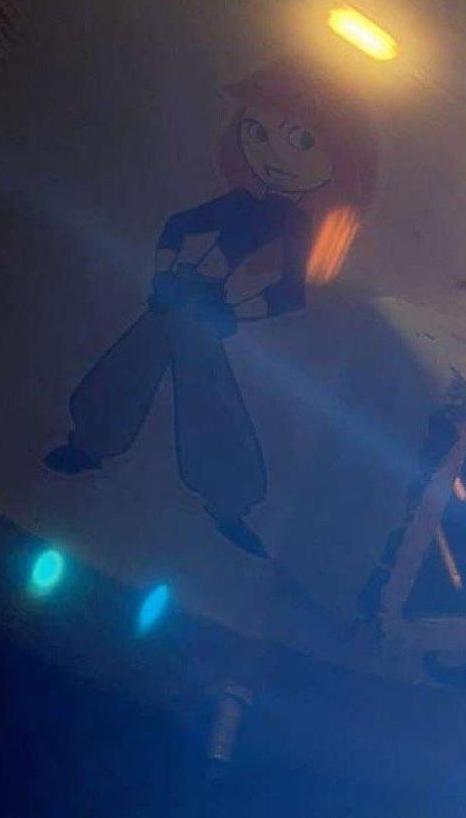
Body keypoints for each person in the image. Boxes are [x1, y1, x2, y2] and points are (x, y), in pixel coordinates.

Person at [44, 63, 377, 555]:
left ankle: (229, 501)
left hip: (210, 309)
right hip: (182, 295)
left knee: (209, 397)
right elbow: (179, 225)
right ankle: (91, 443)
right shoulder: (239, 202)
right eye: (256, 132)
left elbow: (290, 292)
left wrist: (237, 311)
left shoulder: (296, 227)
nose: (273, 153)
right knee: (131, 366)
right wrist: (165, 273)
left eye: (302, 142)